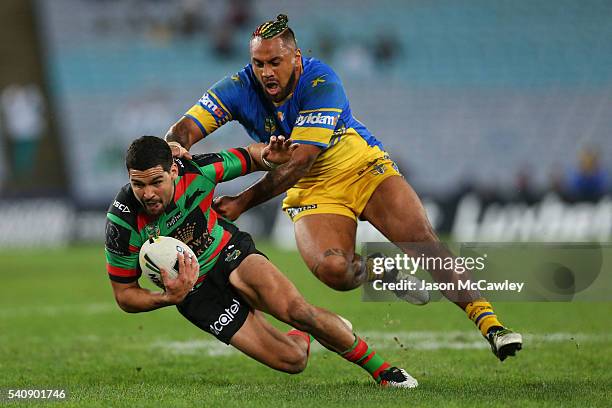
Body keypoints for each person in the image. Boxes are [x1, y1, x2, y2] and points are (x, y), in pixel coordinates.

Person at [165, 14, 522, 361]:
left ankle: (491, 325)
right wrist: (176, 148)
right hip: (313, 190)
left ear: (296, 58)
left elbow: (299, 159)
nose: (266, 72)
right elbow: (185, 128)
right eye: (258, 63)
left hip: (360, 167)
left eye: (275, 61)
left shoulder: (322, 81)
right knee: (334, 272)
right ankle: (378, 270)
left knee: (422, 242)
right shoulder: (239, 87)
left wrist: (244, 201)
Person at [104, 135, 418, 388]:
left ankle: (384, 372)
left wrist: (270, 156)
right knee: (293, 361)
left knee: (298, 311)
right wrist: (167, 297)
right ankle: (307, 332)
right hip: (196, 294)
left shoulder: (198, 171)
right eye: (138, 185)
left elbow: (252, 157)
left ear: (173, 170)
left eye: (155, 182)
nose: (147, 193)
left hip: (229, 253)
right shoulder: (123, 222)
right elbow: (125, 295)